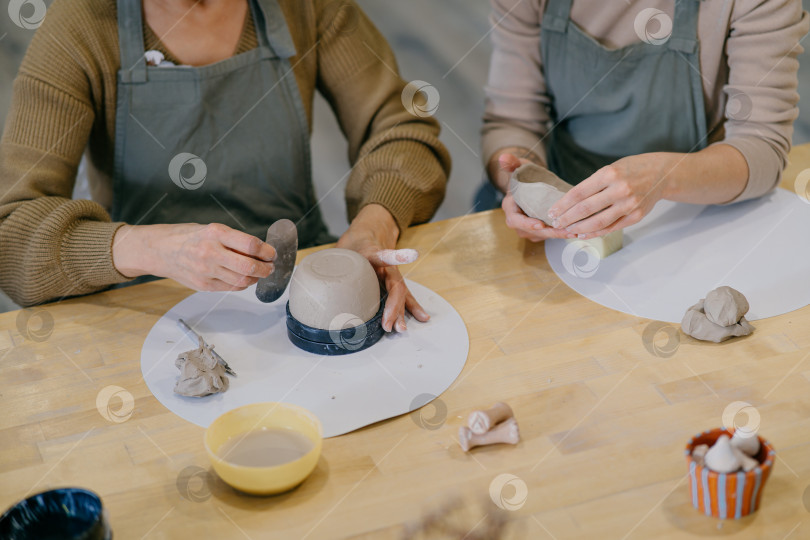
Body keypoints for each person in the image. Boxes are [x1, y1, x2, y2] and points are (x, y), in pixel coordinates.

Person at [0, 0, 451, 333]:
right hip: (140, 309)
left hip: (296, 296)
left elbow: (402, 128)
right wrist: (149, 249)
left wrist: (375, 225)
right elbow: (11, 234)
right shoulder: (79, 25)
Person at [482, 0, 808, 242]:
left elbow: (762, 147)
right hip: (563, 208)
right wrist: (521, 182)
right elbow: (511, 119)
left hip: (693, 210)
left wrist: (662, 177)